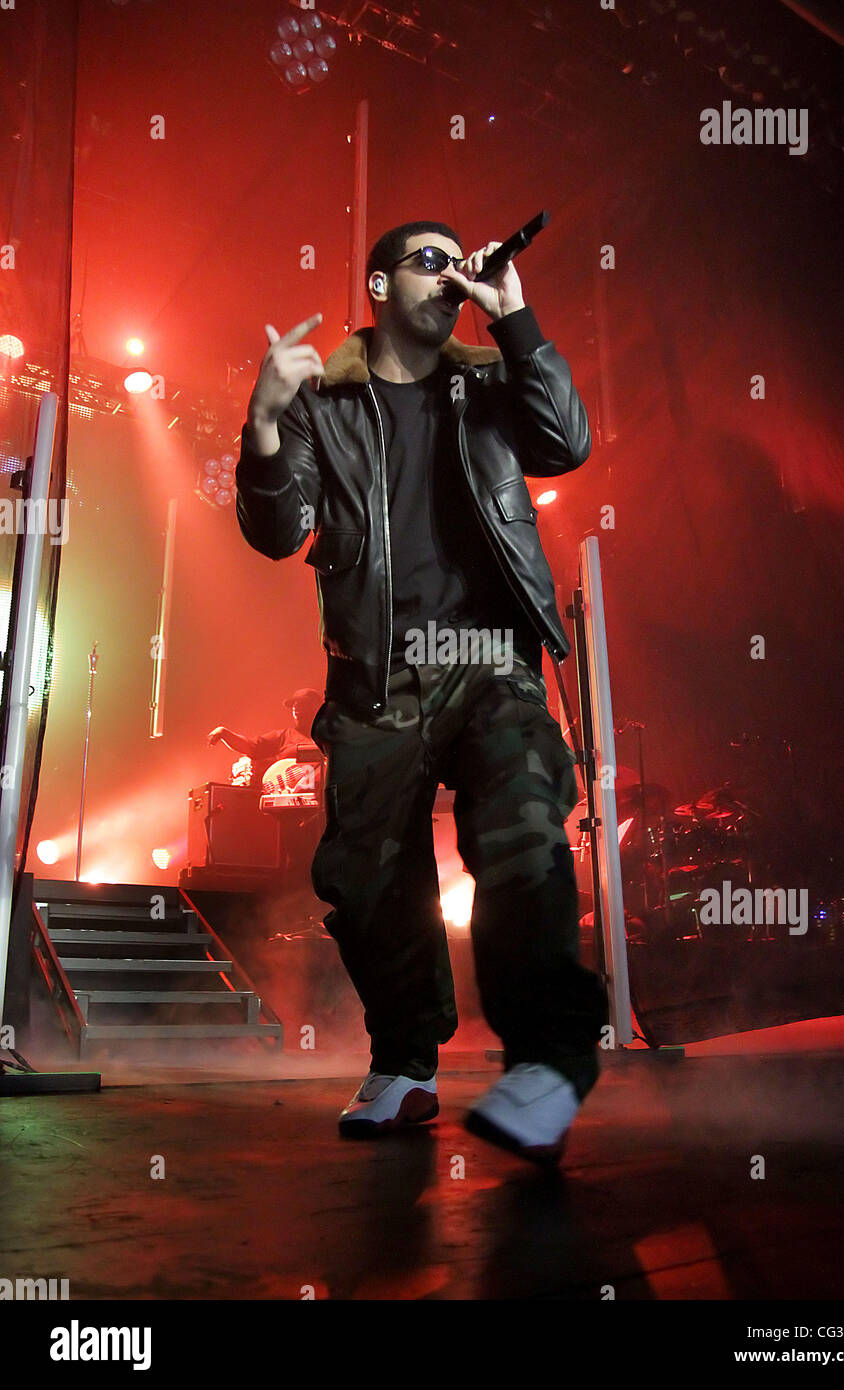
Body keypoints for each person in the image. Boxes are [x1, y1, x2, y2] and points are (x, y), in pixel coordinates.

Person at [234, 220, 607, 1164]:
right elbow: (280, 533)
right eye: (429, 261)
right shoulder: (324, 399)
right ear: (377, 283)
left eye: (459, 262)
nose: (451, 276)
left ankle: (547, 1062)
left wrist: (516, 319)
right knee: (364, 887)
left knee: (523, 824)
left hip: (493, 662)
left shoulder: (487, 377)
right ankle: (406, 1065)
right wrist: (266, 424)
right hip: (376, 677)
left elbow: (564, 443)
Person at [207, 688, 324, 882]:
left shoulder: (331, 736)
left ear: (316, 707)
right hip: (291, 813)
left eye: (300, 704)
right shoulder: (284, 736)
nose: (295, 708)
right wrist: (224, 733)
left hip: (322, 810)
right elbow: (251, 747)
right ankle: (291, 902)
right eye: (293, 705)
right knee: (293, 860)